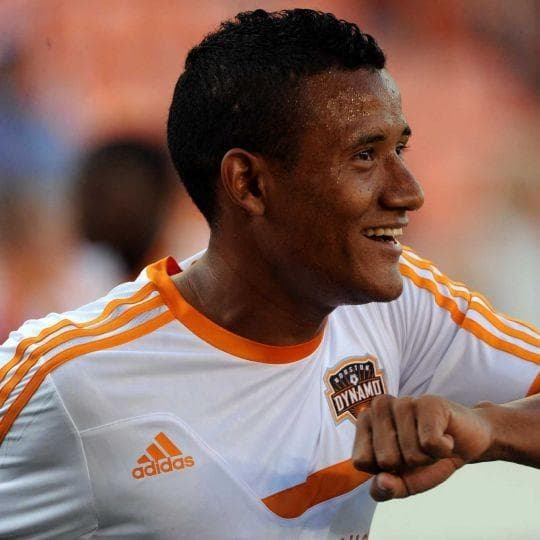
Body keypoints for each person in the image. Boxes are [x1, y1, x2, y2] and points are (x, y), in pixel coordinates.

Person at [0, 9, 538, 539]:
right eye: (364, 156)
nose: (409, 192)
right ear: (250, 183)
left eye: (398, 149)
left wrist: (490, 428)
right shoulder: (65, 380)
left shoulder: (401, 306)